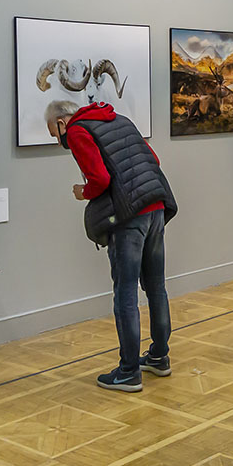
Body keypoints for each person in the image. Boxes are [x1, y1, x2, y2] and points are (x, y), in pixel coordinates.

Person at [46, 100, 178, 392]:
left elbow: (100, 179)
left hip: (129, 217)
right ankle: (159, 356)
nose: (59, 142)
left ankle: (129, 371)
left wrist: (84, 193)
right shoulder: (120, 120)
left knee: (126, 293)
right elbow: (153, 159)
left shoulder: (79, 131)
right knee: (156, 287)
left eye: (54, 135)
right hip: (156, 207)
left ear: (61, 123)